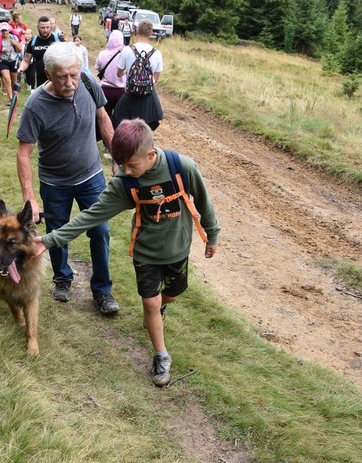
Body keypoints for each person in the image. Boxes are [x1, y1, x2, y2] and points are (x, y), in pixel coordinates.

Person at [34, 118, 220, 385]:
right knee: (150, 302)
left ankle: (157, 311)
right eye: (122, 165)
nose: (127, 170)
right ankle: (161, 355)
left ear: (151, 155)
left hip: (178, 248)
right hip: (146, 252)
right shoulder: (126, 183)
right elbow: (90, 216)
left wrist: (211, 235)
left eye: (132, 165)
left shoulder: (182, 168)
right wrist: (49, 240)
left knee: (172, 295)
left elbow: (204, 201)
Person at [16, 41, 119, 315]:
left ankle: (102, 290)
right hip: (54, 182)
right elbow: (24, 153)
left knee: (101, 231)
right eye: (62, 76)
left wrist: (117, 157)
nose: (70, 82)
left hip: (91, 176)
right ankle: (62, 278)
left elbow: (103, 119)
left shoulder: (87, 81)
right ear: (48, 74)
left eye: (73, 74)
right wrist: (30, 198)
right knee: (56, 234)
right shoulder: (36, 105)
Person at [112, 20, 163, 131]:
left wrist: (128, 72)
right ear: (151, 33)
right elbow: (156, 79)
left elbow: (119, 73)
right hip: (148, 97)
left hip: (130, 94)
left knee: (121, 122)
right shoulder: (157, 53)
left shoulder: (126, 50)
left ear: (137, 31)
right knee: (145, 128)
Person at [17, 16, 59, 89]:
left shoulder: (57, 40)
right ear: (37, 27)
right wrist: (21, 68)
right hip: (40, 81)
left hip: (57, 79)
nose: (45, 30)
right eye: (42, 28)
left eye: (47, 27)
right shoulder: (33, 42)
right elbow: (26, 60)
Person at [94, 30, 126, 119]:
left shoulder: (102, 54)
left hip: (104, 90)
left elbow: (97, 68)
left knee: (104, 119)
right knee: (119, 118)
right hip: (120, 91)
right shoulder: (124, 55)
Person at [0, 22, 21, 105]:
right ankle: (10, 99)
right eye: (3, 31)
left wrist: (15, 44)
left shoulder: (14, 38)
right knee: (7, 79)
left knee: (14, 81)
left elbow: (19, 50)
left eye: (6, 30)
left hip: (13, 61)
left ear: (9, 30)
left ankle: (14, 96)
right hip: (3, 62)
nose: (4, 32)